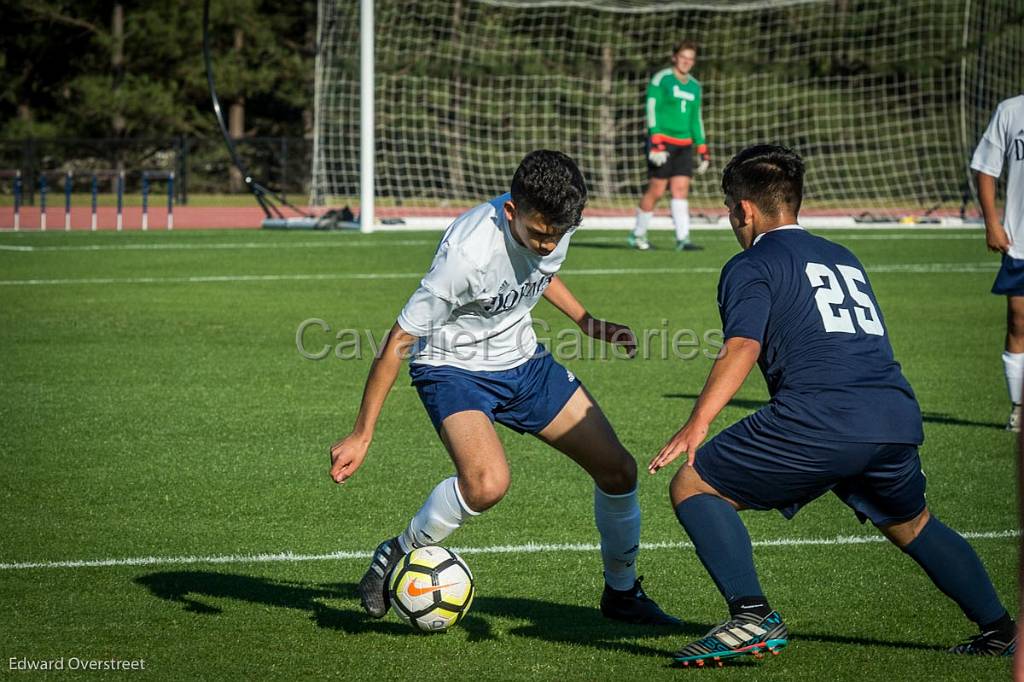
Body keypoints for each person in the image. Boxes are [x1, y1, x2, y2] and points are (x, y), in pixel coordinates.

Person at [647, 144, 1017, 666]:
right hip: (893, 416)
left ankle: (751, 615)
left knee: (694, 483)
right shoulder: (842, 255)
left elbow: (742, 345)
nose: (731, 219)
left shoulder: (750, 263)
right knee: (914, 524)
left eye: (731, 207)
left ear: (745, 210)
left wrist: (696, 423)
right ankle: (1002, 630)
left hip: (823, 419)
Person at [330, 150, 678, 626]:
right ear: (511, 212)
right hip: (452, 368)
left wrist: (586, 320)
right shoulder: (466, 256)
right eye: (538, 233)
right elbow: (398, 341)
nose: (546, 244)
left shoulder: (557, 220)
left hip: (524, 362)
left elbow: (541, 273)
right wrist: (362, 433)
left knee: (619, 471)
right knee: (487, 484)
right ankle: (397, 552)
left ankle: (621, 593)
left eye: (556, 235)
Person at [970, 94, 1024, 431]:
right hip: (1021, 242)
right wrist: (992, 222)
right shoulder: (1011, 110)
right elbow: (986, 169)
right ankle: (1019, 408)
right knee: (1019, 323)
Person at [629, 39, 709, 252]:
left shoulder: (694, 86)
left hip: (684, 145)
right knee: (657, 189)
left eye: (690, 59)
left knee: (681, 189)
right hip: (662, 142)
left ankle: (683, 239)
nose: (686, 62)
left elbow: (696, 118)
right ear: (675, 57)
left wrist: (702, 146)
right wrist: (655, 139)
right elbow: (651, 107)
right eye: (683, 57)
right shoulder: (662, 79)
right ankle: (637, 235)